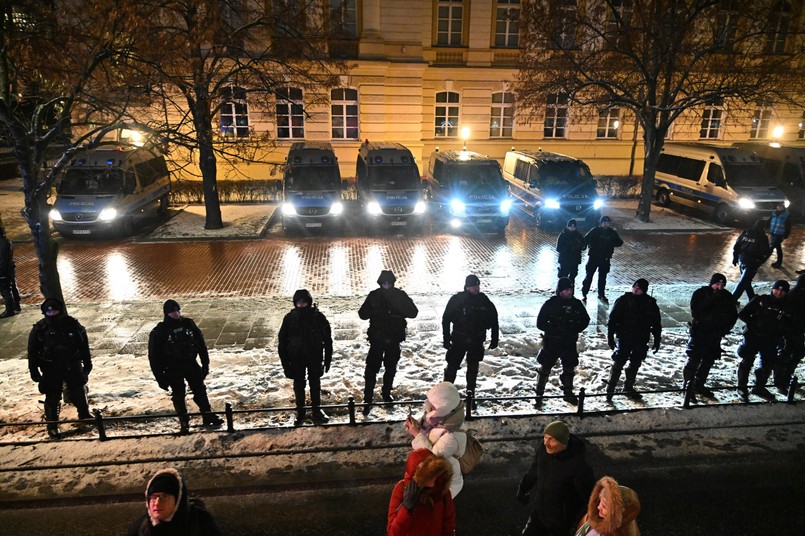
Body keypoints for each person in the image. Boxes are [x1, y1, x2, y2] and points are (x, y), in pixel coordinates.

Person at [148, 300, 224, 434]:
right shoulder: (160, 331)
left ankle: (207, 414)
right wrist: (160, 377)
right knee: (178, 394)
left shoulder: (188, 324)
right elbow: (154, 357)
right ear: (166, 313)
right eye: (173, 312)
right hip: (172, 368)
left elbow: (200, 343)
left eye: (178, 310)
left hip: (190, 363)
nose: (176, 314)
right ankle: (184, 421)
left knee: (200, 389)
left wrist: (205, 363)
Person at [517, 420, 596, 536]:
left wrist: (576, 525)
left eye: (551, 439)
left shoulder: (579, 467)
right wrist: (523, 489)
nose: (546, 443)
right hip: (540, 512)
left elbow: (590, 498)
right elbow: (534, 470)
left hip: (560, 522)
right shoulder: (543, 451)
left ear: (563, 442)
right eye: (545, 437)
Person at [27, 298, 92, 439]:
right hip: (50, 367)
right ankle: (52, 424)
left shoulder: (72, 325)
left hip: (71, 365)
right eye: (48, 312)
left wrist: (87, 363)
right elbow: (32, 351)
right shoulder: (40, 329)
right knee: (52, 395)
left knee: (78, 390)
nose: (52, 314)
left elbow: (83, 345)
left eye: (54, 311)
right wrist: (33, 370)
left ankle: (84, 414)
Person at [358, 270, 418, 415]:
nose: (386, 285)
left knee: (390, 367)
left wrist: (398, 309)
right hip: (377, 339)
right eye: (384, 283)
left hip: (393, 338)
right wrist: (375, 310)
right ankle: (368, 397)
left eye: (388, 283)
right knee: (371, 369)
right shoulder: (374, 295)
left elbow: (413, 312)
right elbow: (362, 314)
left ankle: (386, 392)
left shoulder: (400, 295)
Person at [278, 289, 333, 425]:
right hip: (296, 357)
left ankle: (317, 410)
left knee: (315, 383)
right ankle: (301, 411)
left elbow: (327, 340)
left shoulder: (318, 317)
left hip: (314, 355)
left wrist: (328, 359)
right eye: (298, 302)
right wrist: (286, 364)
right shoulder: (290, 318)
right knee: (299, 384)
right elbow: (282, 342)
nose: (301, 304)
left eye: (304, 302)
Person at [404, 381, 467, 499]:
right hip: (433, 477)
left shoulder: (452, 435)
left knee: (439, 507)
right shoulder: (441, 418)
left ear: (445, 407)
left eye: (435, 406)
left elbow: (431, 457)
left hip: (446, 484)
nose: (430, 408)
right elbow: (428, 427)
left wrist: (416, 434)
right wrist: (416, 425)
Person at [441, 275, 499, 400]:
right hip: (459, 339)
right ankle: (446, 394)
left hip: (477, 339)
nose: (476, 288)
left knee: (473, 368)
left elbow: (494, 319)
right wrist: (446, 338)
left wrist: (495, 338)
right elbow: (446, 319)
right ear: (467, 287)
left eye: (477, 285)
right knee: (452, 366)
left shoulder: (483, 300)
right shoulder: (457, 299)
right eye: (473, 286)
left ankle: (470, 394)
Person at [682, 273, 739, 401]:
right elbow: (696, 310)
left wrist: (725, 329)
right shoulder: (701, 293)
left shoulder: (727, 296)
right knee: (694, 359)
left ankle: (699, 384)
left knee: (708, 360)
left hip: (715, 334)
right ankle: (688, 387)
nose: (719, 287)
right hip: (700, 332)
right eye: (717, 284)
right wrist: (711, 299)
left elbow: (733, 314)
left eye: (722, 285)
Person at [536, 278, 590, 405]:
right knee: (545, 367)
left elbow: (585, 319)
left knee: (569, 368)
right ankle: (539, 393)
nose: (569, 292)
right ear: (560, 291)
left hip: (569, 342)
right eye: (566, 290)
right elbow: (540, 323)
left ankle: (568, 393)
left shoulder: (576, 304)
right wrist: (554, 330)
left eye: (570, 289)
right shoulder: (550, 304)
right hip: (552, 342)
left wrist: (575, 329)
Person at [605, 279, 662, 401]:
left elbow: (656, 323)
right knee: (619, 362)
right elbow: (612, 319)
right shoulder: (624, 300)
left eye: (639, 288)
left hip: (641, 338)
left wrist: (657, 339)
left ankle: (628, 387)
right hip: (625, 337)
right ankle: (610, 388)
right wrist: (610, 336)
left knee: (635, 362)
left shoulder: (650, 303)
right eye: (634, 287)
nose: (636, 289)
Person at [736, 280, 792, 401]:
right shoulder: (760, 300)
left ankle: (759, 387)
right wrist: (753, 324)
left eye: (783, 291)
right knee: (747, 361)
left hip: (771, 339)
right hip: (753, 336)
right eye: (777, 289)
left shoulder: (787, 306)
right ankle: (741, 387)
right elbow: (743, 314)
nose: (779, 293)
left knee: (768, 363)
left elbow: (789, 322)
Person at [126, 468, 222, 536]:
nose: (157, 503)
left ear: (178, 499)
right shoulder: (140, 528)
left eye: (164, 496)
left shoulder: (202, 522)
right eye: (153, 497)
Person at [387, 449, 456, 536]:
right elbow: (393, 533)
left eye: (434, 473)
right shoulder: (401, 489)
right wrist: (406, 508)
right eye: (428, 475)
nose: (433, 478)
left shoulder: (442, 491)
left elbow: (449, 527)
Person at [575, 476, 641, 536]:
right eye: (599, 501)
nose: (598, 507)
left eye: (604, 506)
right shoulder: (589, 520)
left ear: (620, 512)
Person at [580, 216, 623, 303]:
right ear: (601, 223)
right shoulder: (595, 231)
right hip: (594, 257)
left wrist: (611, 243)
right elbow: (586, 239)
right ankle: (584, 293)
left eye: (607, 223)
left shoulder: (612, 233)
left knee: (602, 278)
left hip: (605, 258)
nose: (606, 224)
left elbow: (619, 242)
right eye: (604, 223)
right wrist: (590, 244)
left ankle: (601, 294)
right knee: (589, 276)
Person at [775, 274, 805, 393]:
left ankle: (785, 379)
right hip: (789, 332)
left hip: (797, 331)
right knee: (785, 356)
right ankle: (781, 382)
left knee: (795, 354)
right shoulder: (793, 297)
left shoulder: (795, 295)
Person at [731, 219, 770, 302]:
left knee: (746, 282)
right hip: (752, 263)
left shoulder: (745, 232)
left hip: (742, 260)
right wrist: (760, 261)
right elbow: (765, 251)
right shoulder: (762, 237)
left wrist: (735, 257)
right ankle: (731, 301)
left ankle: (752, 299)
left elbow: (737, 246)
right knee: (743, 283)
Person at [556, 219, 586, 285]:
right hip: (565, 259)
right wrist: (567, 248)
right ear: (568, 226)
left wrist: (578, 246)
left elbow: (583, 246)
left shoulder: (578, 235)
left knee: (573, 276)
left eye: (574, 226)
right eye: (571, 226)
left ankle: (571, 290)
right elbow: (558, 248)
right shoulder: (563, 235)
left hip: (575, 259)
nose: (572, 228)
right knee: (563, 277)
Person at [0, 224, 21, 318]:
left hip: (4, 271)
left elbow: (2, 260)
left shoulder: (2, 244)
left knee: (5, 290)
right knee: (12, 287)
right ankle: (16, 306)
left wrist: (1, 272)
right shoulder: (6, 241)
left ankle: (10, 310)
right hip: (9, 269)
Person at [767, 203, 791, 269]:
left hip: (780, 234)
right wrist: (765, 226)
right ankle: (779, 262)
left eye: (781, 206)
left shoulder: (787, 215)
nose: (779, 207)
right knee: (778, 248)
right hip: (773, 233)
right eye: (778, 206)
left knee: (771, 247)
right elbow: (769, 221)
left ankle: (762, 260)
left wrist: (786, 235)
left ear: (783, 207)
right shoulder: (774, 213)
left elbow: (788, 226)